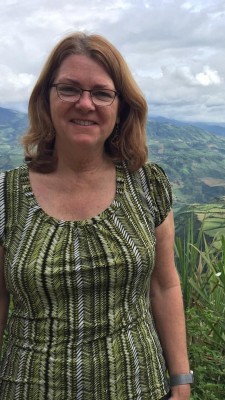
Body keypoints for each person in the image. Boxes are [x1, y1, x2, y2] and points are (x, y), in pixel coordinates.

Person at [0, 32, 192, 400]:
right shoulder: (6, 195)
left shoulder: (148, 186)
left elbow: (164, 285)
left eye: (102, 93)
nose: (85, 104)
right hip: (28, 389)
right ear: (47, 99)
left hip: (139, 388)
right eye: (69, 89)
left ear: (121, 107)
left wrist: (181, 380)